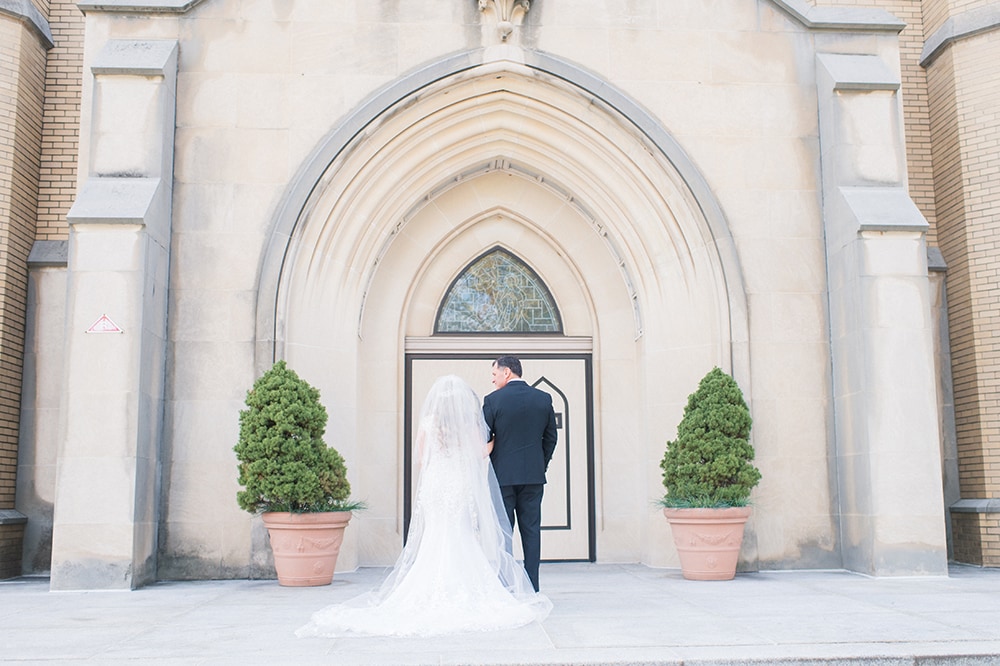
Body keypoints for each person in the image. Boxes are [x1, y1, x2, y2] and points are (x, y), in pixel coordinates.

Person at [296, 375, 551, 638]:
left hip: (437, 487)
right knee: (460, 533)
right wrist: (497, 442)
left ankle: (425, 587)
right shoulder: (467, 425)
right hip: (458, 486)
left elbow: (421, 459)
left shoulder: (429, 423)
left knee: (435, 535)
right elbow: (479, 453)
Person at [482, 356, 558, 592]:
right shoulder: (543, 398)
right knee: (532, 532)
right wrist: (540, 464)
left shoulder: (492, 401)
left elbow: (484, 438)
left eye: (494, 374)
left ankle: (507, 586)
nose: (492, 380)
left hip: (502, 478)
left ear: (506, 373)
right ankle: (532, 587)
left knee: (504, 532)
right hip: (533, 477)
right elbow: (551, 439)